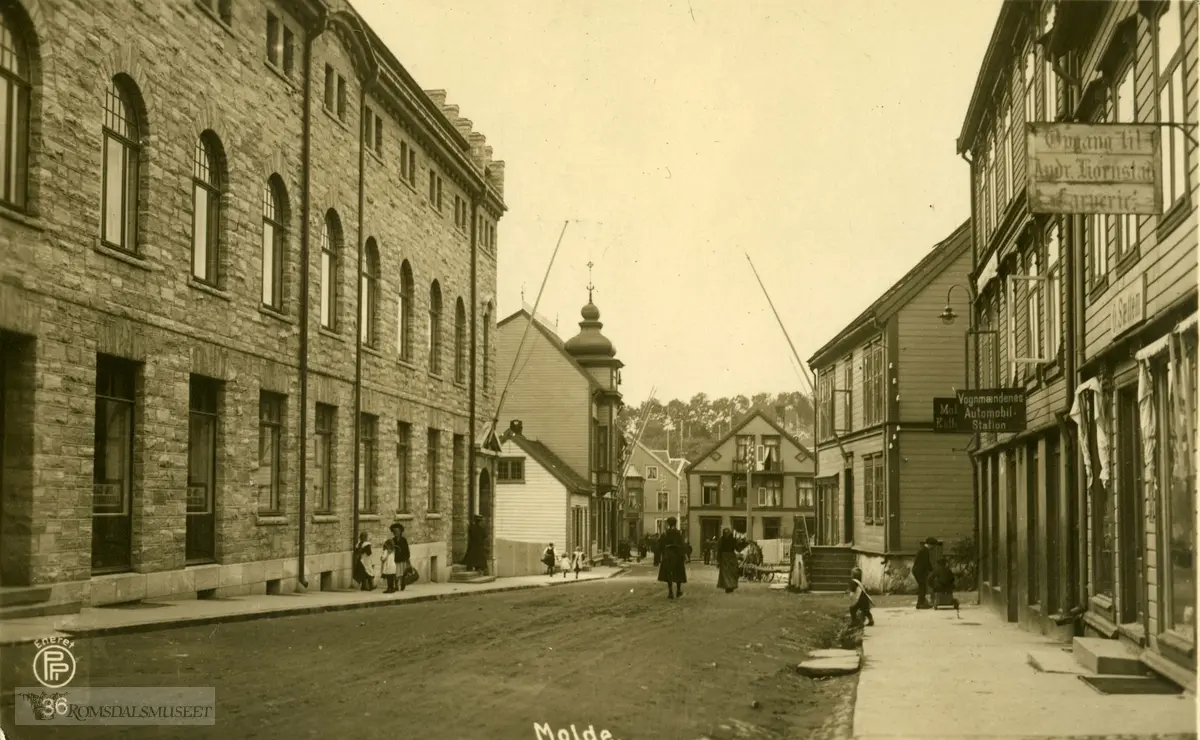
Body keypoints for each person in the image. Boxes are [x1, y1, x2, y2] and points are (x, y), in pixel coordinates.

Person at [655, 517, 688, 599]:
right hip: (677, 553)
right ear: (675, 523)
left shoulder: (665, 533)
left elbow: (660, 545)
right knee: (679, 572)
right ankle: (678, 591)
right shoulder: (678, 533)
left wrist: (658, 557)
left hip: (668, 553)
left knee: (668, 573)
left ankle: (670, 592)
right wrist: (685, 555)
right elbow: (682, 544)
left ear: (668, 524)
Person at [715, 528, 747, 593]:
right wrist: (743, 544)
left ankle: (728, 587)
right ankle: (730, 587)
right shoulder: (732, 540)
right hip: (731, 558)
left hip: (726, 558)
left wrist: (718, 560)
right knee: (731, 573)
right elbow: (738, 549)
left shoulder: (722, 540)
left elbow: (719, 550)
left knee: (727, 574)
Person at [912, 537, 938, 609]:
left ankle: (921, 603)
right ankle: (920, 604)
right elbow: (926, 563)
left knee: (922, 587)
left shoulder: (923, 550)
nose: (934, 548)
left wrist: (931, 570)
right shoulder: (924, 551)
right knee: (922, 587)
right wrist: (932, 571)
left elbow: (926, 562)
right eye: (934, 546)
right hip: (919, 571)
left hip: (918, 570)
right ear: (930, 544)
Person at [390, 523, 412, 591]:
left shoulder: (403, 540)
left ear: (400, 532)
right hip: (396, 559)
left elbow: (406, 549)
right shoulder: (392, 540)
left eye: (397, 531)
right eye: (394, 532)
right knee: (396, 573)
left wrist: (407, 558)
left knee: (403, 573)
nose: (395, 533)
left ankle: (403, 583)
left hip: (403, 559)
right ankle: (396, 585)